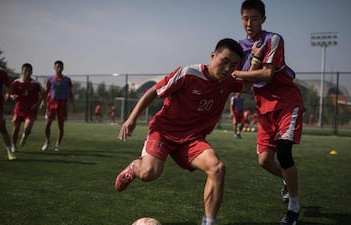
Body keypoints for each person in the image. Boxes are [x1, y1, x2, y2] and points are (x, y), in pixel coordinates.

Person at [115, 38, 249, 225]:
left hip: (192, 138)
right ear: (213, 56)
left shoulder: (228, 81)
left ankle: (208, 222)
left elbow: (249, 86)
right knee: (149, 173)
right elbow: (153, 91)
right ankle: (134, 168)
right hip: (164, 131)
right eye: (224, 61)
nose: (227, 69)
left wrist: (256, 58)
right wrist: (132, 119)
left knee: (217, 168)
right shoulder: (188, 73)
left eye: (233, 65)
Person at [232, 1, 304, 224]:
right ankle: (286, 181)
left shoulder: (273, 39)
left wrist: (237, 72)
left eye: (254, 18)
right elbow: (244, 88)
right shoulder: (239, 47)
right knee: (264, 161)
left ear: (263, 19)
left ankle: (293, 207)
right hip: (264, 109)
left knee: (284, 152)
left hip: (286, 103)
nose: (249, 23)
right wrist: (250, 62)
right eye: (245, 18)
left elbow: (267, 74)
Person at [41, 60, 76, 152]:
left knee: (61, 126)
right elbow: (46, 91)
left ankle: (58, 144)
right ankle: (47, 141)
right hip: (52, 104)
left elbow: (71, 93)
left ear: (63, 68)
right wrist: (42, 102)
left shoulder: (67, 80)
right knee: (47, 124)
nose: (59, 68)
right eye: (57, 66)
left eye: (60, 67)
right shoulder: (50, 79)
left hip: (62, 104)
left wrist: (73, 105)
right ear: (54, 68)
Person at [10, 63, 44, 152]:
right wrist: (12, 96)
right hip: (19, 109)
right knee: (16, 128)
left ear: (31, 72)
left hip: (31, 110)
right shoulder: (16, 82)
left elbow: (43, 94)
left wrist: (38, 104)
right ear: (22, 71)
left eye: (29, 71)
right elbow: (11, 93)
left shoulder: (36, 84)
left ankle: (24, 136)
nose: (27, 72)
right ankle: (13, 145)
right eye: (25, 70)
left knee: (27, 128)